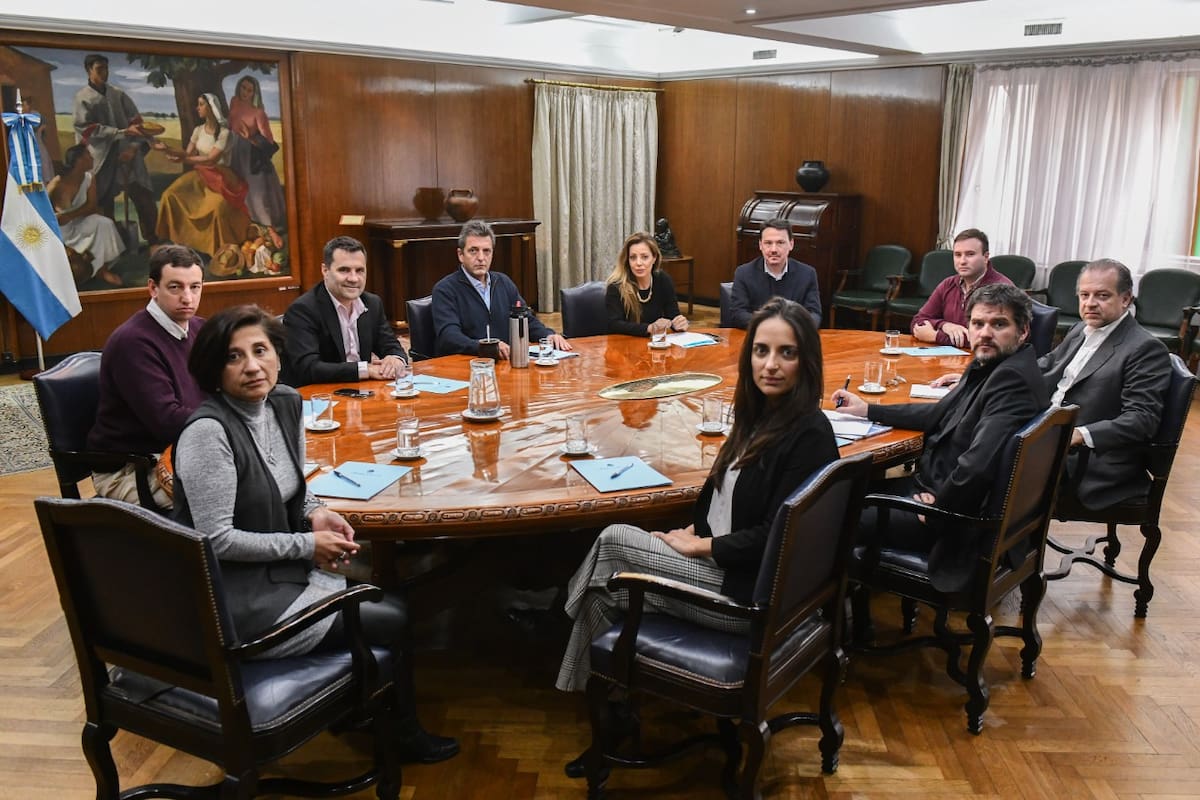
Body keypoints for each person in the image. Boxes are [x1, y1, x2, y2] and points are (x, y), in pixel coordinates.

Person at [171, 304, 459, 764]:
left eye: (260, 350)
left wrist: (317, 513)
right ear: (212, 368)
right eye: (233, 356)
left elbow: (295, 491)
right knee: (395, 614)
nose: (251, 366)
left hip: (282, 573)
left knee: (384, 602)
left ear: (277, 355)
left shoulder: (285, 402)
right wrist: (308, 543)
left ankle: (359, 707)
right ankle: (400, 730)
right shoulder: (208, 434)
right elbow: (214, 541)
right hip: (238, 601)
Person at [556, 297, 839, 699]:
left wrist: (703, 545)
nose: (770, 364)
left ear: (806, 361)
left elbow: (777, 536)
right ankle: (603, 707)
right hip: (730, 566)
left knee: (614, 539)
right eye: (761, 351)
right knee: (604, 594)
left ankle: (557, 614)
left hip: (749, 595)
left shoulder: (808, 433)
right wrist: (696, 529)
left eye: (786, 353)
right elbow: (728, 497)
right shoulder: (759, 416)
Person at [833, 283, 1048, 593]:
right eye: (978, 323)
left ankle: (828, 621)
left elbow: (977, 466)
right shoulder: (996, 363)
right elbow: (937, 415)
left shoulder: (1010, 380)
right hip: (939, 492)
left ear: (1023, 330)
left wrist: (938, 512)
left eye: (999, 324)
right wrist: (867, 409)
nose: (985, 333)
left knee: (827, 513)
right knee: (843, 489)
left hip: (956, 523)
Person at [1037, 259, 1171, 509]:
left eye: (1102, 295)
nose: (1090, 304)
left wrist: (1078, 435)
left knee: (992, 470)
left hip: (1088, 461)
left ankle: (1004, 543)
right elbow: (1048, 364)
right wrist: (995, 376)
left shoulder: (1145, 348)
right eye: (1084, 295)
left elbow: (1142, 419)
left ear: (1126, 299)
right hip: (1048, 434)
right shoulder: (1081, 328)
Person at [87, 245, 207, 507]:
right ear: (153, 288)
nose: (187, 297)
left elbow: (224, 388)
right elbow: (167, 421)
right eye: (175, 287)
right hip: (133, 469)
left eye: (195, 287)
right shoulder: (132, 342)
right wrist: (231, 418)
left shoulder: (200, 328)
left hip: (184, 451)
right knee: (237, 493)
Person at [432, 220, 570, 359]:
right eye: (473, 251)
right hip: (465, 366)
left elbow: (526, 320)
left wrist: (548, 335)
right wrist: (487, 348)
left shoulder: (503, 282)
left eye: (486, 251)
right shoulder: (445, 290)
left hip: (504, 364)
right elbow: (449, 337)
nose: (481, 258)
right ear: (460, 255)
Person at [282, 235, 409, 386]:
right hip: (319, 395)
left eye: (360, 270)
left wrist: (394, 358)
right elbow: (308, 368)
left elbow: (391, 345)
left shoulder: (372, 303)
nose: (354, 278)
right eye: (344, 270)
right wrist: (364, 370)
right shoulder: (303, 310)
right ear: (325, 270)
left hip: (363, 392)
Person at [72, 53, 159, 245]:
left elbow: (137, 123)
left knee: (143, 195)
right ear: (89, 70)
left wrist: (134, 148)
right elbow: (86, 128)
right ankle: (112, 246)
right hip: (102, 159)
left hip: (128, 155)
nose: (104, 73)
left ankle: (154, 239)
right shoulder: (83, 98)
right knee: (104, 202)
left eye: (106, 68)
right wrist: (119, 132)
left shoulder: (118, 94)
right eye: (99, 69)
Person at [153, 93, 251, 258]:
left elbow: (211, 159)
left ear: (211, 108)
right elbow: (187, 152)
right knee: (169, 194)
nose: (197, 108)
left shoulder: (224, 133)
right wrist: (167, 149)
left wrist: (183, 159)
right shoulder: (198, 130)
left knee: (217, 207)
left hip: (221, 177)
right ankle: (177, 240)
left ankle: (214, 249)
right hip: (200, 174)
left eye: (201, 104)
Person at [911, 228, 1012, 347]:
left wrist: (936, 336)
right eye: (958, 255)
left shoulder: (1001, 289)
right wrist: (944, 325)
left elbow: (992, 339)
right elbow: (918, 322)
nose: (962, 261)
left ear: (986, 257)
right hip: (949, 358)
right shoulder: (948, 284)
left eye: (970, 254)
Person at [47, 144, 125, 287]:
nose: (92, 158)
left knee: (103, 223)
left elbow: (91, 206)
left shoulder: (89, 178)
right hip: (60, 231)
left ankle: (102, 270)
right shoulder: (58, 182)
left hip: (78, 223)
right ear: (78, 160)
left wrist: (71, 216)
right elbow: (41, 208)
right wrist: (55, 219)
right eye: (88, 155)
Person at [729, 218, 821, 328]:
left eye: (780, 243)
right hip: (758, 338)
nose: (774, 249)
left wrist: (788, 329)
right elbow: (738, 314)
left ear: (791, 244)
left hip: (793, 338)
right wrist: (772, 327)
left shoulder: (807, 274)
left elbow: (815, 315)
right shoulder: (743, 273)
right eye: (768, 243)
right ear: (760, 245)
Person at [226, 75, 287, 230]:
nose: (245, 92)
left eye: (249, 90)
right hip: (235, 150)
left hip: (252, 155)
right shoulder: (234, 102)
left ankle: (269, 229)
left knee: (256, 193)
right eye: (243, 87)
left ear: (255, 93)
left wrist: (250, 138)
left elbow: (269, 143)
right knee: (238, 187)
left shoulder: (258, 113)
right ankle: (245, 225)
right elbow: (230, 123)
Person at [604, 231, 690, 337]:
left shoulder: (663, 280)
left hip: (654, 345)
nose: (638, 263)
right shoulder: (616, 286)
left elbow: (672, 315)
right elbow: (613, 324)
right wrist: (649, 328)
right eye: (633, 257)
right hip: (623, 345)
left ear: (654, 258)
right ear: (627, 260)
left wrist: (678, 323)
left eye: (644, 257)